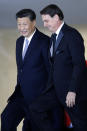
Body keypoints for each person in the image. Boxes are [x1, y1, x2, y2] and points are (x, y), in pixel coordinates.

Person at [29, 4, 87, 131]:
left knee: (81, 125)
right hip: (55, 91)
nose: (44, 24)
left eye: (46, 21)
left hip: (71, 93)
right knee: (35, 108)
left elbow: (79, 64)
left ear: (56, 17)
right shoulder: (53, 38)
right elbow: (54, 66)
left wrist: (73, 90)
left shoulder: (72, 35)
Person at [1, 8, 60, 131]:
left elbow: (51, 71)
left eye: (25, 24)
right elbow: (21, 69)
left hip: (37, 97)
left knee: (30, 127)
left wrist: (47, 96)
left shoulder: (45, 42)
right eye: (19, 24)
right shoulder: (19, 42)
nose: (21, 27)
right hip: (21, 95)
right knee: (6, 118)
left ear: (33, 23)